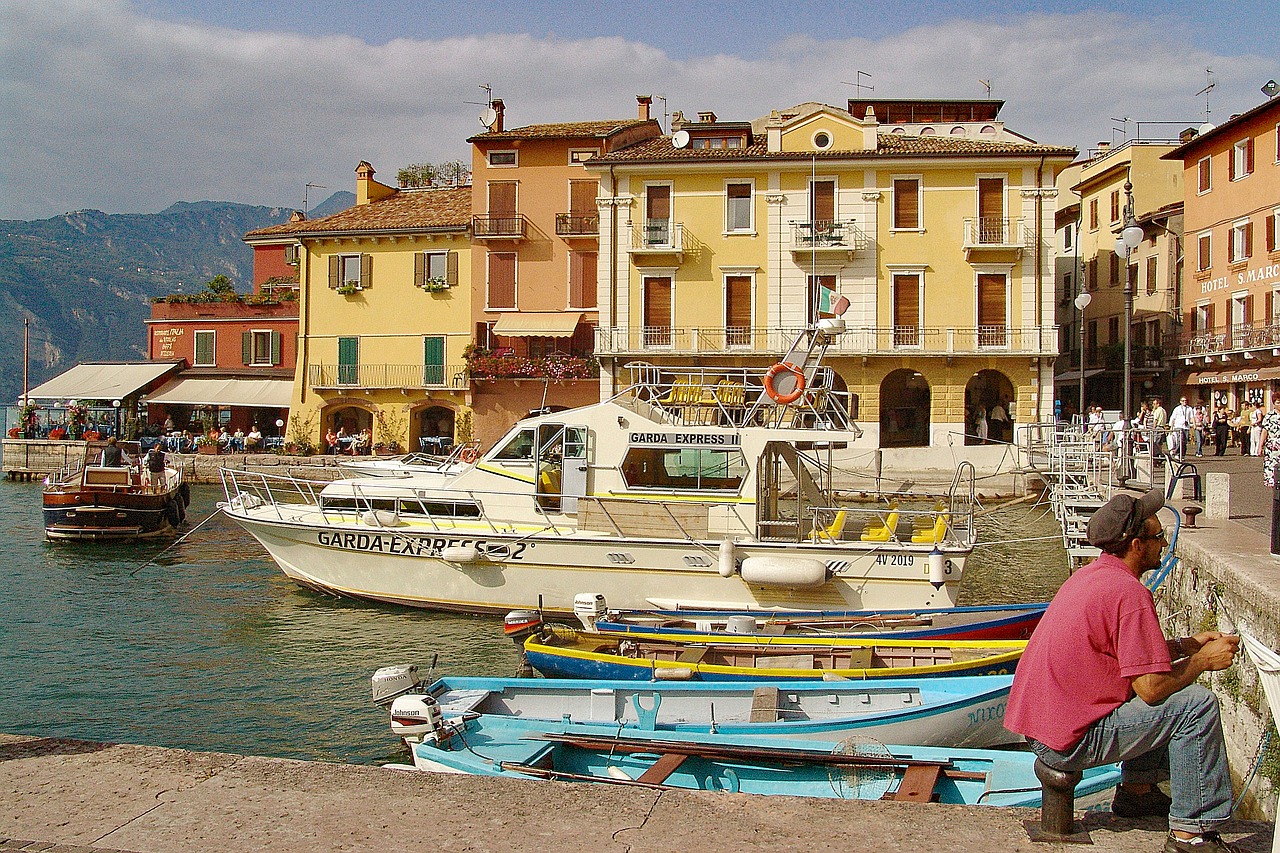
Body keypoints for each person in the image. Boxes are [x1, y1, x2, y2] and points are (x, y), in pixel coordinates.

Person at [1005, 489, 1240, 853]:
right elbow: (1151, 688)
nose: (1164, 544)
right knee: (1197, 705)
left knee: (1161, 691)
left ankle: (1137, 792)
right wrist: (1202, 661)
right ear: (1136, 545)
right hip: (1069, 742)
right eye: (1158, 537)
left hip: (1045, 728)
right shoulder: (1129, 594)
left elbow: (1124, 655)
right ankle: (1191, 834)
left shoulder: (1094, 576)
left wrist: (1182, 646)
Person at [1259, 398, 1280, 489]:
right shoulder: (1269, 416)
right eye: (1278, 403)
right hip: (1273, 447)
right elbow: (1264, 431)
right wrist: (1260, 446)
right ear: (1274, 404)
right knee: (1273, 471)